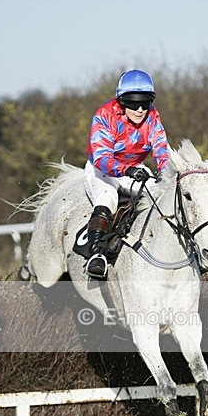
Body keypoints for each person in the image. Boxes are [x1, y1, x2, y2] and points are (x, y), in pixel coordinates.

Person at [74, 69, 169, 278]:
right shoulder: (104, 115)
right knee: (108, 198)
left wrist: (167, 172)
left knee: (161, 196)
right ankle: (96, 255)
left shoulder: (153, 116)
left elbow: (162, 149)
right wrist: (128, 169)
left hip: (134, 169)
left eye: (145, 102)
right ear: (122, 101)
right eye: (133, 103)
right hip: (102, 169)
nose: (141, 109)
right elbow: (101, 157)